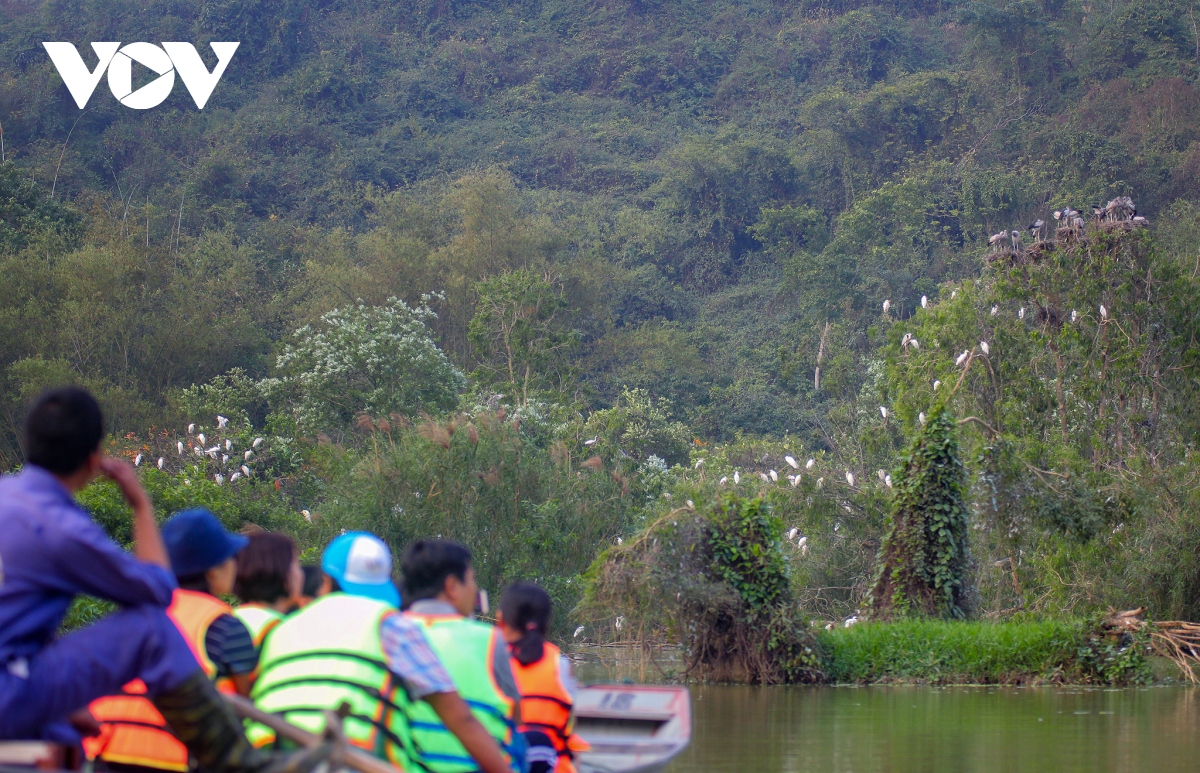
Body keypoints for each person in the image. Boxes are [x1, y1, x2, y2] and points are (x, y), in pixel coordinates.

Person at [0, 387, 305, 773]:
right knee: (150, 627)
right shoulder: (60, 527)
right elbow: (159, 591)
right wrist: (141, 505)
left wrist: (69, 706)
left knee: (64, 730)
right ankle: (237, 762)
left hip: (20, 682)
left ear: (28, 442)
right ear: (95, 458)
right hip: (10, 693)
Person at [247, 532, 513, 773]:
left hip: (265, 753)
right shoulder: (389, 625)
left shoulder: (282, 627)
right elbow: (460, 718)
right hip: (350, 758)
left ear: (325, 580)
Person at [86, 509, 259, 770]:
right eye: (230, 557)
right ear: (213, 571)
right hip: (176, 758)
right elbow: (249, 704)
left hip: (104, 754)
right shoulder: (223, 625)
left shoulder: (134, 613)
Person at [401, 539, 522, 773]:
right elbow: (517, 714)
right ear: (452, 586)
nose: (475, 589)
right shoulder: (488, 639)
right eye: (472, 580)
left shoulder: (390, 632)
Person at [496, 583, 588, 773]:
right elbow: (569, 724)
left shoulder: (488, 661)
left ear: (501, 620)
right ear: (546, 623)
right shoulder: (560, 664)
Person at [233, 532, 303, 649]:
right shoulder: (280, 632)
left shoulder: (227, 621)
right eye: (297, 565)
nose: (301, 574)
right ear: (285, 576)